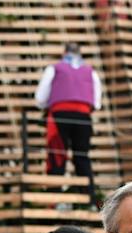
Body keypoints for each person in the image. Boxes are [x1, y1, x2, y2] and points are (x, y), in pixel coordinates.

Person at [35, 43, 103, 185]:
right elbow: (97, 102)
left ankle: (55, 192)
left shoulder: (55, 68)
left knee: (57, 154)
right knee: (82, 155)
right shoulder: (90, 71)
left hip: (60, 115)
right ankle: (88, 195)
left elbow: (41, 97)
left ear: (64, 52)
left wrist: (47, 105)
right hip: (83, 117)